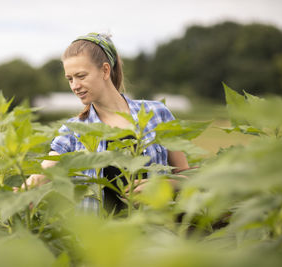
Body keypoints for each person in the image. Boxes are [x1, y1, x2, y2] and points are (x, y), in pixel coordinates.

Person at [22, 32, 189, 212]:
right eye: (70, 79)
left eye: (81, 76)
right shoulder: (74, 131)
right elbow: (45, 171)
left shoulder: (157, 114)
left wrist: (163, 185)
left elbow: (186, 176)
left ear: (105, 70)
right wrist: (24, 191)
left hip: (156, 233)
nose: (74, 86)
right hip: (101, 238)